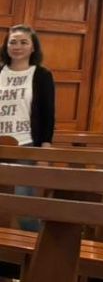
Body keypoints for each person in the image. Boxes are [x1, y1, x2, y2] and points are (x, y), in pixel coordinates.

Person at [1, 25, 55, 232]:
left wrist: (45, 147)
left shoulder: (41, 75)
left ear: (33, 47)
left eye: (24, 42)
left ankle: (34, 252)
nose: (17, 46)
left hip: (26, 144)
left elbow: (48, 113)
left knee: (24, 207)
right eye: (12, 42)